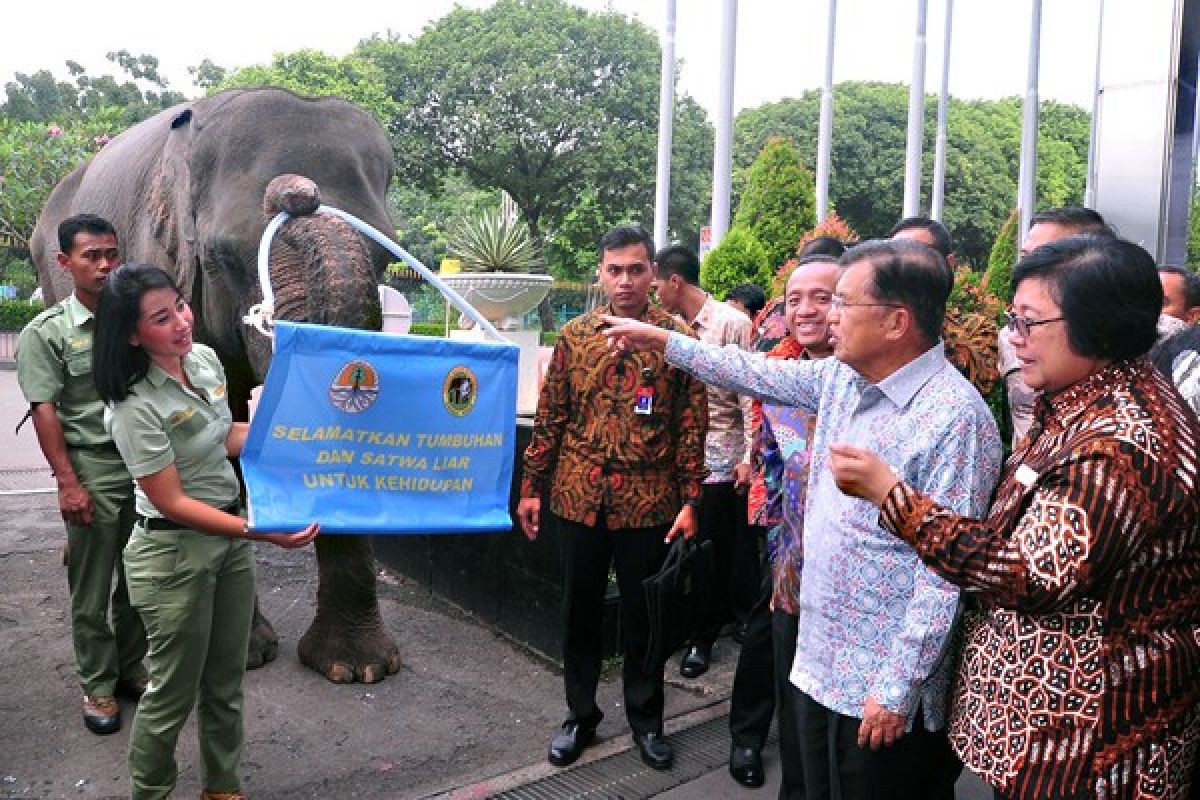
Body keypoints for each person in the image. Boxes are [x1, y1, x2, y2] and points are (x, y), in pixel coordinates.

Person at [604, 239, 1003, 799]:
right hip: (818, 663)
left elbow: (945, 574)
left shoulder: (954, 418)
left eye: (842, 302)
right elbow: (751, 372)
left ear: (895, 322)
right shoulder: (843, 379)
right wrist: (664, 340)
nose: (826, 317)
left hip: (877, 693)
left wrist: (896, 689)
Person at [830, 235, 1200, 800]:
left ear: (1096, 325)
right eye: (1011, 320)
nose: (1013, 339)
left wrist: (893, 498)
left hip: (1090, 746)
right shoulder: (1084, 401)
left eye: (1028, 323)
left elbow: (1027, 573)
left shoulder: (1121, 443)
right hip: (1052, 732)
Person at [93, 263, 319, 800]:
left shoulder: (205, 361)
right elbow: (171, 500)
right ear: (131, 333)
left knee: (226, 683)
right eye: (161, 317)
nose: (181, 323)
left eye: (181, 306)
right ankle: (151, 791)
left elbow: (222, 438)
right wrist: (261, 532)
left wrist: (303, 438)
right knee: (172, 692)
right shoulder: (132, 404)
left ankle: (222, 787)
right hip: (173, 554)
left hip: (229, 544)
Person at [517, 225, 708, 771]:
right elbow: (551, 417)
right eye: (614, 270)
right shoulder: (577, 337)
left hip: (648, 502)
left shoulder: (676, 342)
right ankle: (580, 715)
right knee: (579, 610)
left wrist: (692, 500)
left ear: (653, 273)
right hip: (579, 496)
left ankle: (647, 719)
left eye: (636, 269)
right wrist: (532, 487)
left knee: (646, 616)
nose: (624, 280)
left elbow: (690, 427)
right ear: (601, 273)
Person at [15, 214, 148, 735]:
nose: (104, 264)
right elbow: (44, 410)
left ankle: (129, 668)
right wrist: (68, 483)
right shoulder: (47, 333)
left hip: (143, 466)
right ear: (63, 262)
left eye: (111, 253)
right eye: (91, 256)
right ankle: (97, 684)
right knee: (91, 590)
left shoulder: (132, 322)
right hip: (91, 466)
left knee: (140, 581)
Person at [726, 254, 839, 793]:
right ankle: (747, 738)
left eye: (822, 297)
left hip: (842, 565)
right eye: (795, 299)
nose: (806, 310)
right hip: (784, 540)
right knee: (768, 640)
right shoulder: (777, 367)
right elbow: (770, 452)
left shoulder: (866, 377)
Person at [652, 244, 755, 680]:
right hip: (671, 455)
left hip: (719, 455)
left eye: (656, 282)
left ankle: (704, 637)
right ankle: (675, 628)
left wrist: (750, 456)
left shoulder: (732, 324)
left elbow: (750, 391)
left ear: (675, 281)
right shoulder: (663, 327)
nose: (653, 292)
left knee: (710, 551)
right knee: (676, 547)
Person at [999, 208, 1186, 444]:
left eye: (1057, 256)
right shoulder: (1082, 396)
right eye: (1028, 257)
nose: (1015, 337)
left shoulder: (1113, 445)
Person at [889, 216, 1000, 398]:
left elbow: (979, 375)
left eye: (917, 255)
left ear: (948, 264)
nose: (905, 268)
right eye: (895, 257)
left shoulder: (976, 329)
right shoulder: (874, 326)